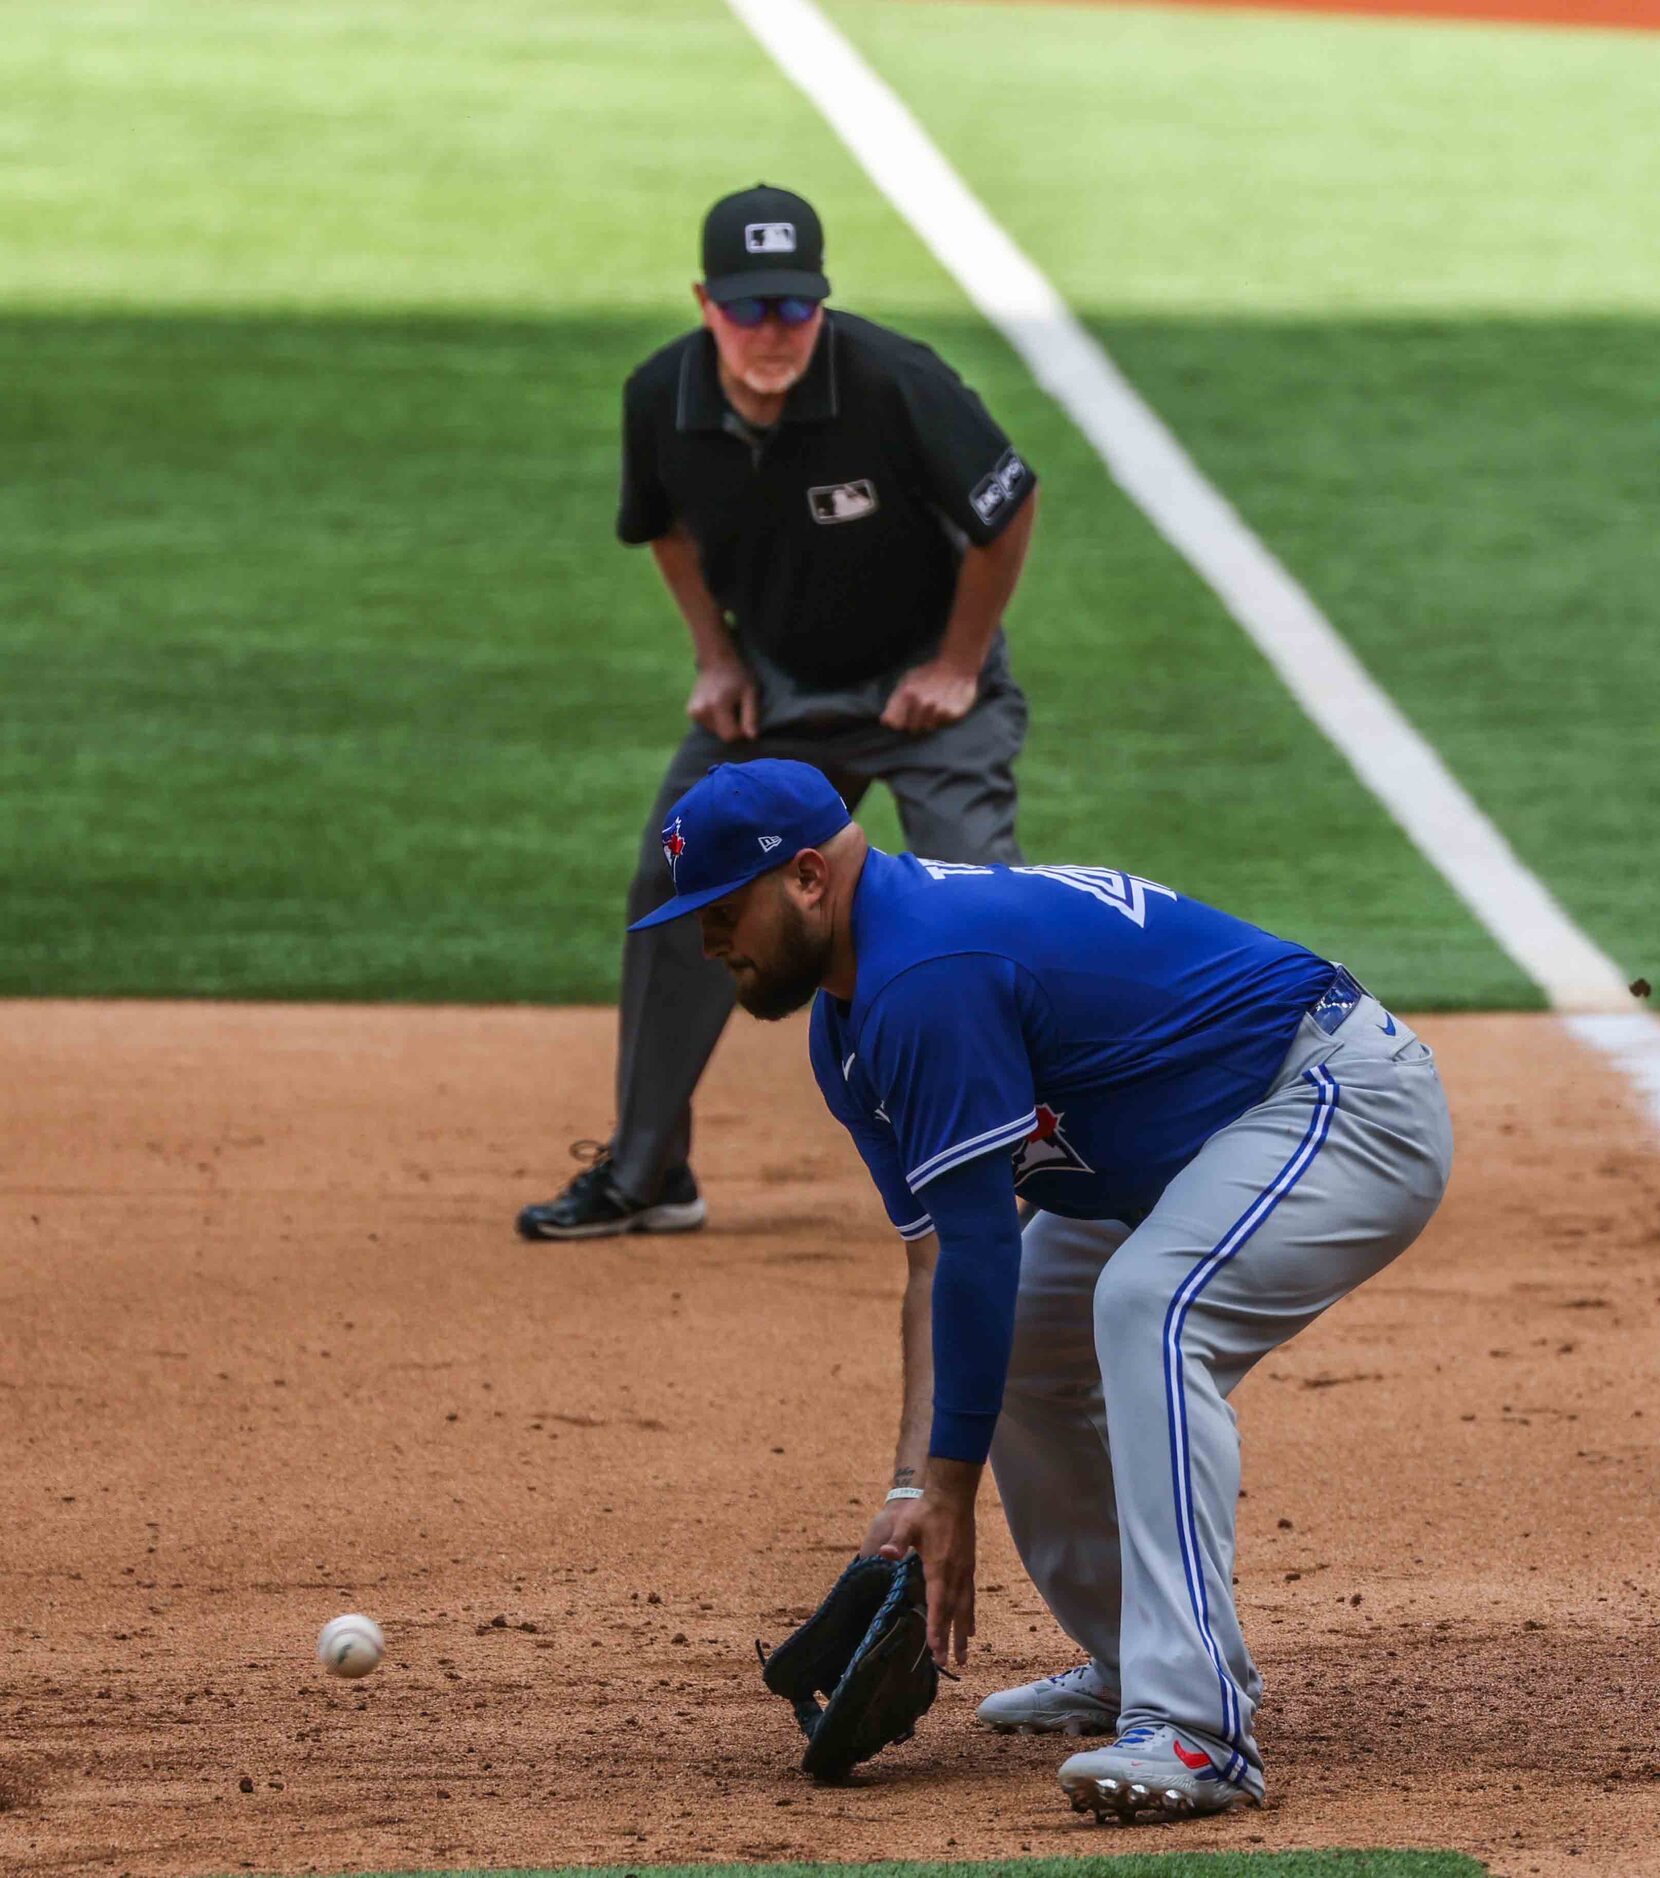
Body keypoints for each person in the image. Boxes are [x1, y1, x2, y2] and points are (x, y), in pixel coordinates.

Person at [630, 759, 1453, 1821]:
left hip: (1341, 1105)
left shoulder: (926, 975)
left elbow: (980, 1246)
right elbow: (940, 1264)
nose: (706, 942)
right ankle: (1132, 1659)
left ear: (804, 879)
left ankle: (1198, 1729)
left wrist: (955, 1492)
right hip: (1198, 1143)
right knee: (1018, 1343)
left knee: (1148, 1308)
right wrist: (908, 1492)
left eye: (720, 909)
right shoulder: (849, 1027)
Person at [519, 184, 1040, 1240]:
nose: (772, 333)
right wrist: (714, 657)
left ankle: (1013, 1165)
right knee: (677, 876)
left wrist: (958, 661)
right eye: (749, 308)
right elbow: (660, 525)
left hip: (924, 691)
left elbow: (1006, 505)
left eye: (793, 308)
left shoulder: (894, 381)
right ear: (707, 302)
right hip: (781, 692)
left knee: (974, 901)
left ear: (820, 303)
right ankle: (647, 1167)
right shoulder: (659, 395)